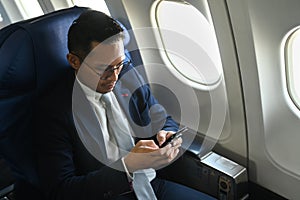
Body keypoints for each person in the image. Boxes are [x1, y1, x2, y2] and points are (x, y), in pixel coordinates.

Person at [35, 9, 215, 200]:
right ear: (74, 61)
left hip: (149, 183)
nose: (114, 77)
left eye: (119, 64)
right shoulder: (52, 111)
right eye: (103, 69)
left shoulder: (127, 76)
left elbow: (163, 120)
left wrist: (168, 136)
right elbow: (62, 190)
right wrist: (126, 167)